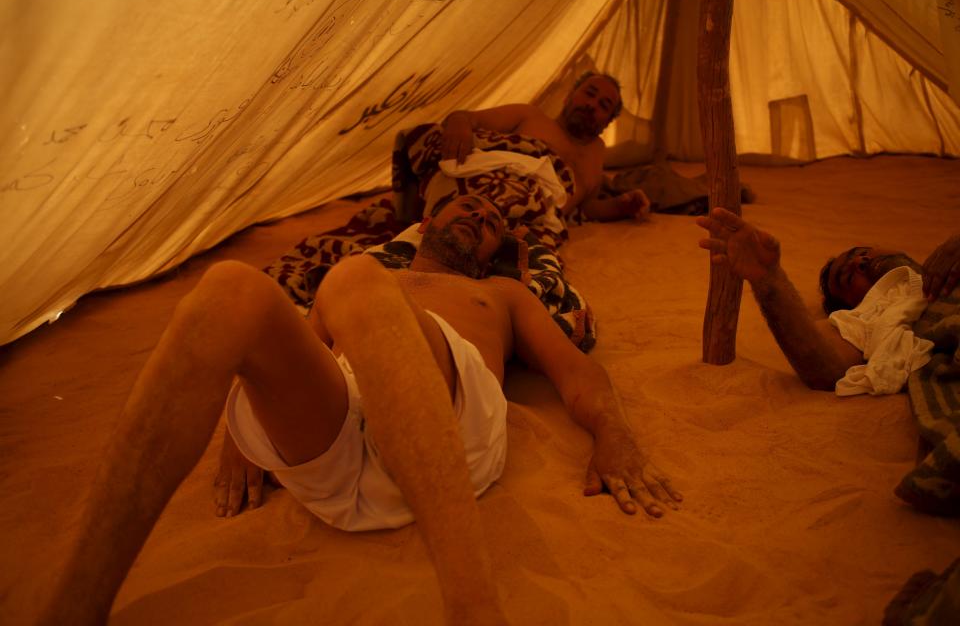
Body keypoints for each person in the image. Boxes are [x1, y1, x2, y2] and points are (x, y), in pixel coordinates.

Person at [39, 194, 682, 626]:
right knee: (230, 288)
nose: (477, 216)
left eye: (490, 220)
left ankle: (474, 610)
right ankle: (72, 609)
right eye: (464, 204)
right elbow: (290, 360)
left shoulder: (504, 293)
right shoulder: (371, 274)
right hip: (336, 452)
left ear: (497, 249)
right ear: (425, 225)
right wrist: (240, 430)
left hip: (447, 447)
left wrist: (613, 433)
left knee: (351, 279)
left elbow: (578, 371)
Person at [696, 207, 960, 391]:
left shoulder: (946, 259)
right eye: (848, 278)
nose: (861, 261)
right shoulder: (878, 317)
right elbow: (824, 368)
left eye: (863, 252)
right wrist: (768, 279)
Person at [440, 71, 650, 222]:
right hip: (484, 208)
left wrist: (621, 206)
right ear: (569, 96)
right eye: (589, 93)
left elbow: (585, 207)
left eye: (604, 105)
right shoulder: (529, 116)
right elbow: (465, 118)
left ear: (607, 123)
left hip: (532, 229)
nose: (592, 104)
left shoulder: (596, 152)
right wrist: (459, 125)